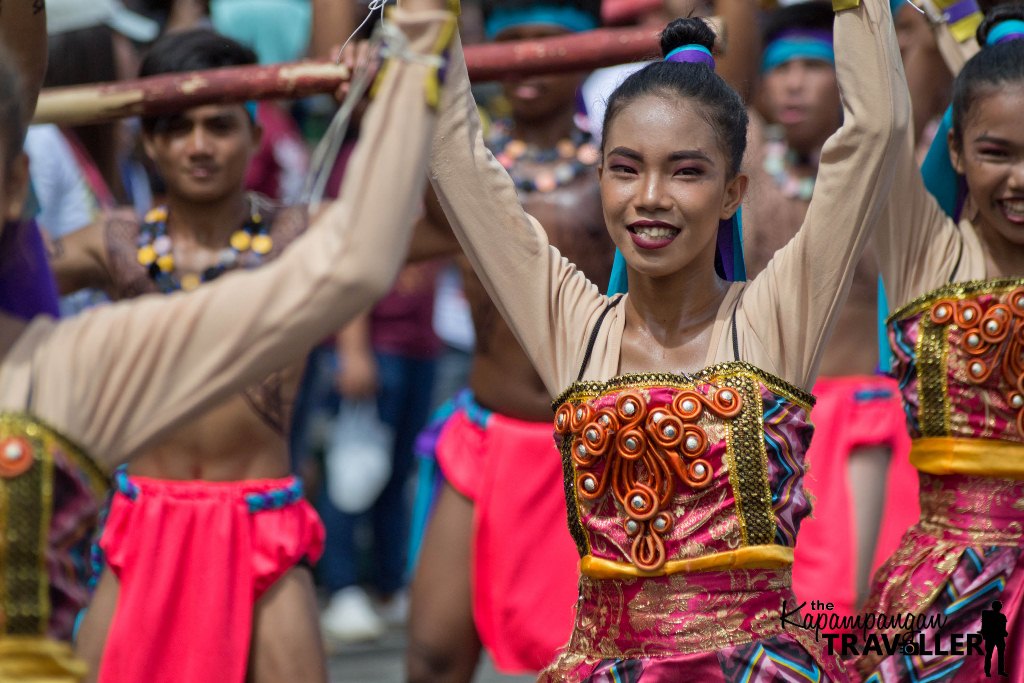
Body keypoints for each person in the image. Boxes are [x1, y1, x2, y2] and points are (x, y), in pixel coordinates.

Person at [425, 0, 908, 676]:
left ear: (733, 191)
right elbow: (458, 165)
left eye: (686, 171)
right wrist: (424, 20)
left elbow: (877, 133)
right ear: (601, 182)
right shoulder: (574, 328)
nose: (650, 196)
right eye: (626, 168)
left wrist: (860, 7)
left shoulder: (775, 321)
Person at [0, 0, 456, 679]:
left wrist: (385, 103)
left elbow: (440, 228)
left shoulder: (300, 237)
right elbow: (13, 256)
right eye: (176, 127)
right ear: (148, 143)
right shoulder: (116, 243)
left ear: (255, 134)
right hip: (139, 520)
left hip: (262, 521)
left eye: (220, 124)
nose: (199, 145)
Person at [405, 1, 616, 679]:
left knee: (583, 658)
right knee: (435, 651)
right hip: (485, 436)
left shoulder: (624, 167)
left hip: (597, 445)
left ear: (586, 49)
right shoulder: (466, 172)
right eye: (510, 42)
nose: (525, 59)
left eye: (545, 42)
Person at [858, 4, 1024, 680]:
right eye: (996, 153)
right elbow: (877, 124)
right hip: (952, 588)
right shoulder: (926, 257)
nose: (1020, 179)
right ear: (956, 151)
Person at [742, 1, 918, 627]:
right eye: (780, 67)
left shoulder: (884, 175)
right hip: (766, 419)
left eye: (813, 66)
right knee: (766, 613)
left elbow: (906, 88)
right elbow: (729, 71)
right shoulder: (746, 173)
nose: (793, 81)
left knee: (846, 610)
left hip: (859, 423)